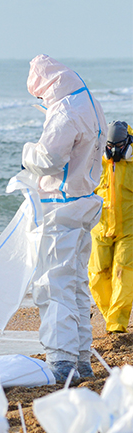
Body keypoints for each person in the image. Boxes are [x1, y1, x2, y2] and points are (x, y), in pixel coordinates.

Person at [22, 54, 106, 382]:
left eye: (39, 95)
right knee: (75, 285)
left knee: (53, 285)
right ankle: (81, 358)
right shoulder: (89, 103)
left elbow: (49, 158)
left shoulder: (65, 111)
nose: (40, 100)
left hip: (61, 205)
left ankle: (61, 359)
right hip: (83, 202)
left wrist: (26, 153)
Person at [89, 121, 133, 335]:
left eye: (119, 146)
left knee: (123, 274)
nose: (114, 151)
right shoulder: (95, 158)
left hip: (130, 229)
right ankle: (110, 317)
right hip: (100, 226)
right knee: (97, 276)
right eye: (110, 146)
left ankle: (116, 325)